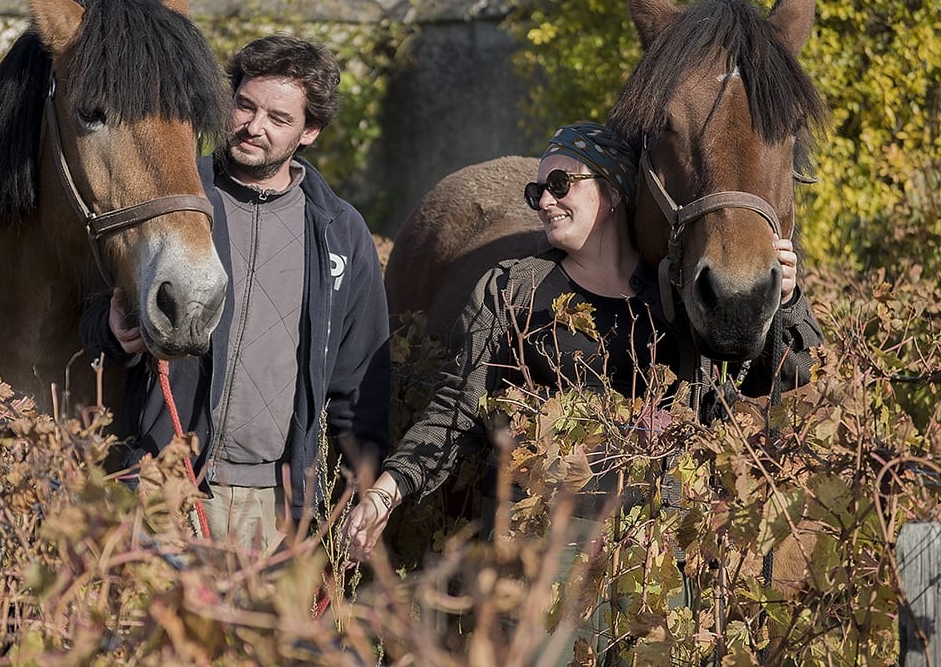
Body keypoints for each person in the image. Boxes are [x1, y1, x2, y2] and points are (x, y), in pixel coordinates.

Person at [342, 120, 823, 564]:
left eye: (559, 185)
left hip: (655, 549)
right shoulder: (512, 289)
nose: (545, 202)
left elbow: (786, 377)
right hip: (540, 543)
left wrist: (785, 299)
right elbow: (455, 409)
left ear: (613, 192)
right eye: (538, 192)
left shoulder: (676, 296)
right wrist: (387, 492)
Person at [82, 34, 391, 553]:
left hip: (277, 507)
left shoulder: (340, 230)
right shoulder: (172, 199)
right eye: (244, 106)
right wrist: (109, 332)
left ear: (309, 131)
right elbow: (86, 309)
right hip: (164, 488)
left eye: (278, 118)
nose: (254, 127)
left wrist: (358, 494)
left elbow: (358, 383)